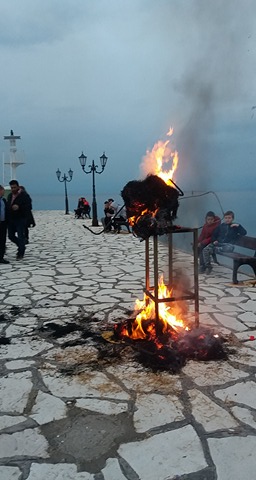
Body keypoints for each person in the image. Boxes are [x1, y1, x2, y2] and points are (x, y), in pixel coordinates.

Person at [203, 210, 247, 274]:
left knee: (229, 247)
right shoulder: (221, 226)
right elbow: (214, 235)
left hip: (228, 245)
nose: (227, 219)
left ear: (232, 218)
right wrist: (214, 240)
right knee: (205, 249)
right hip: (219, 244)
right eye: (226, 218)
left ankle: (216, 249)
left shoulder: (235, 227)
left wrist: (238, 226)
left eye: (229, 218)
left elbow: (244, 233)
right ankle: (208, 266)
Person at [6, 180, 31, 260]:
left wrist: (19, 207)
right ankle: (22, 245)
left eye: (14, 187)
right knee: (10, 236)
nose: (13, 189)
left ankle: (20, 252)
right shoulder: (10, 195)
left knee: (20, 236)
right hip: (11, 219)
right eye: (11, 188)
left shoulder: (24, 195)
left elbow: (29, 207)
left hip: (20, 219)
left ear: (18, 186)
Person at [0, 185, 9, 264]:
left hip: (3, 223)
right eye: (3, 190)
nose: (4, 192)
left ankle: (1, 257)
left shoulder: (3, 200)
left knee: (2, 240)